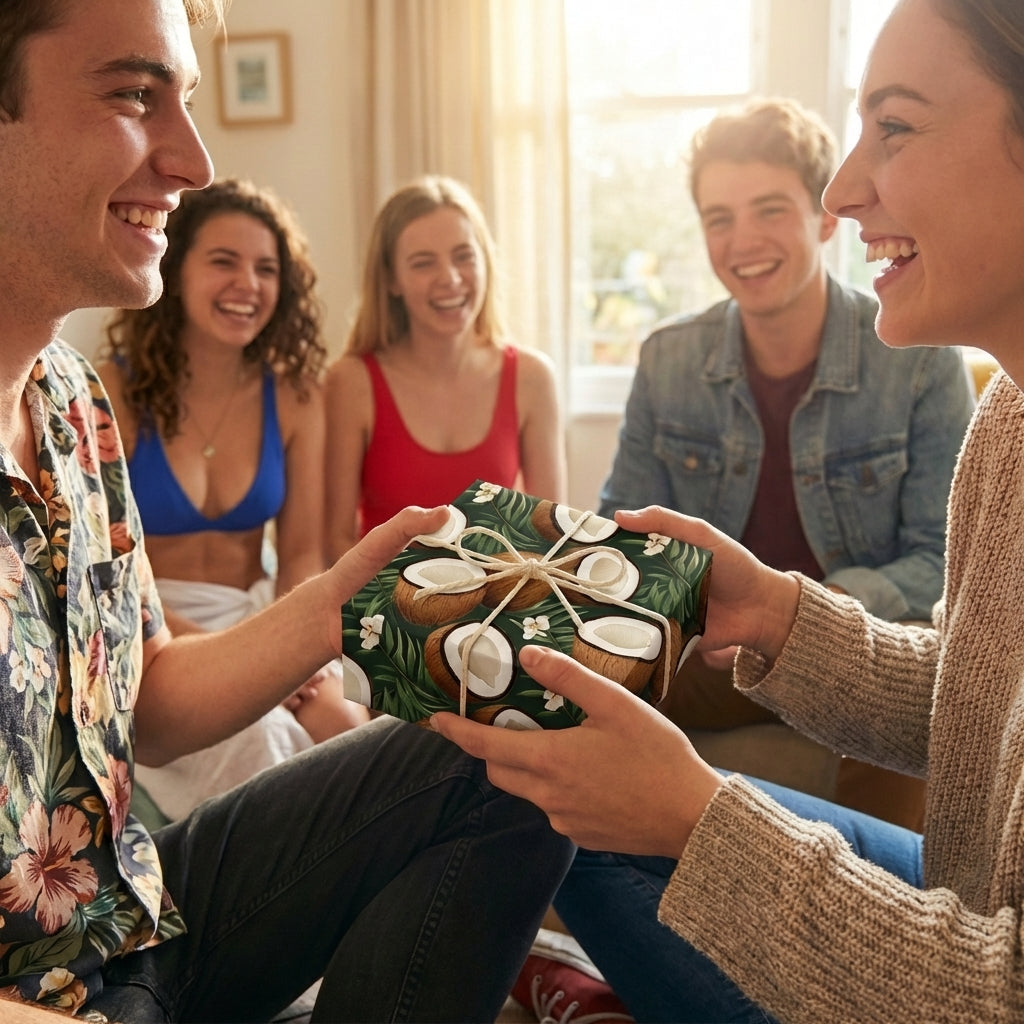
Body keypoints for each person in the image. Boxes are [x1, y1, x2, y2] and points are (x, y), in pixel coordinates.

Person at [431, 0, 1024, 1020]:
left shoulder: (930, 374)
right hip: (966, 883)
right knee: (554, 793)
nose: (845, 187)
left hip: (984, 965)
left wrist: (701, 820)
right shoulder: (1006, 413)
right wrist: (782, 616)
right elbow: (976, 699)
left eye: (895, 125)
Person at [0, 2, 574, 1021]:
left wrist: (336, 605)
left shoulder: (74, 403)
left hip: (135, 916)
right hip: (36, 989)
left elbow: (152, 700)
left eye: (186, 99)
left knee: (517, 748)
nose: (193, 159)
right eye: (134, 94)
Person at [599, 96, 975, 827]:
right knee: (569, 672)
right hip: (709, 650)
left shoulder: (917, 357)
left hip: (849, 646)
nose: (742, 241)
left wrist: (806, 610)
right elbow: (620, 544)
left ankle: (887, 889)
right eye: (719, 218)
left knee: (928, 683)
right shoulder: (668, 359)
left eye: (770, 210)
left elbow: (945, 563)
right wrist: (697, 612)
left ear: (825, 219)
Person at [97, 177, 369, 822]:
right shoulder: (112, 392)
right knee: (265, 743)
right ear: (176, 268)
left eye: (266, 269)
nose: (248, 284)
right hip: (156, 632)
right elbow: (109, 574)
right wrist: (249, 653)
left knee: (352, 735)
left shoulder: (295, 396)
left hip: (262, 606)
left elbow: (301, 553)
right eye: (224, 261)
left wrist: (288, 639)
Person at [324, 175, 566, 560]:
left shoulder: (532, 377)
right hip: (379, 596)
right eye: (423, 263)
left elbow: (550, 539)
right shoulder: (350, 382)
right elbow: (336, 541)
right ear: (391, 279)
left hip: (502, 594)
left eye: (464, 256)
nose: (450, 278)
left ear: (485, 262)